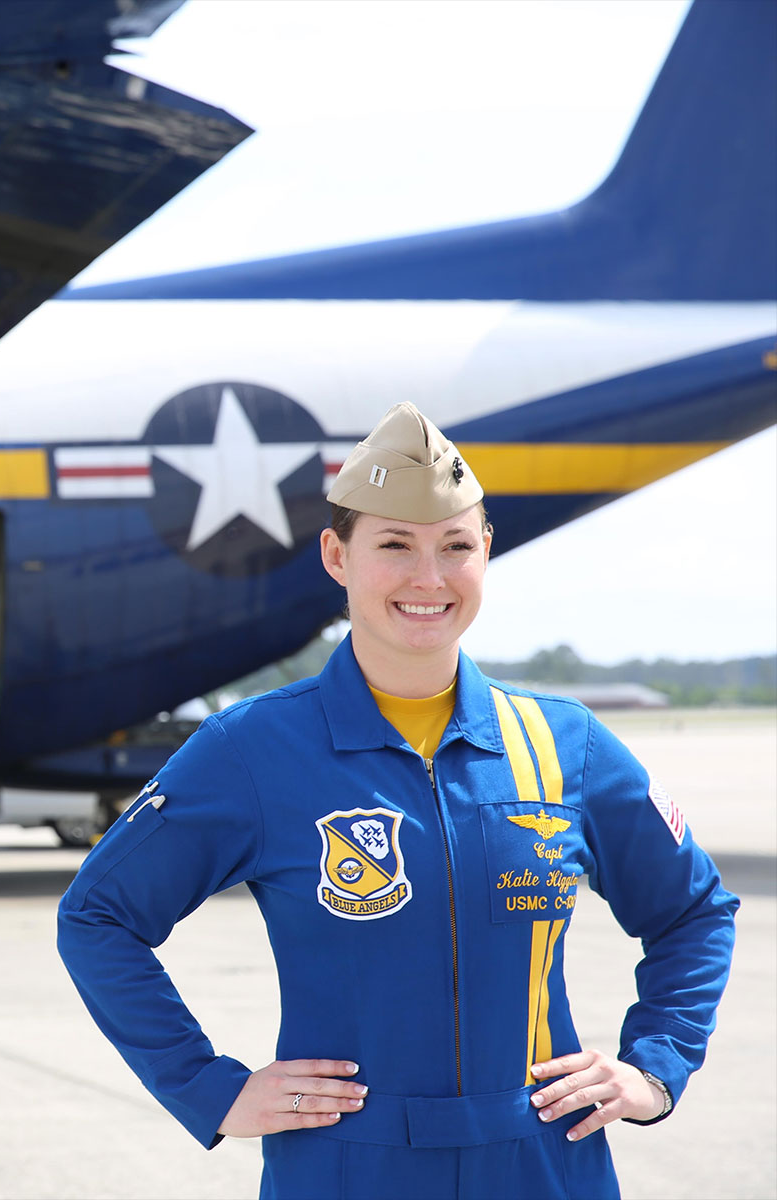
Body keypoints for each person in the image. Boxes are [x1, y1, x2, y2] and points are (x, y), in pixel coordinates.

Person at [56, 402, 737, 1199]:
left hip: (545, 1163)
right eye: (394, 546)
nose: (429, 578)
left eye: (455, 546)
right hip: (347, 1166)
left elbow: (693, 911)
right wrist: (210, 1088)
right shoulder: (251, 750)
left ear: (486, 549)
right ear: (336, 557)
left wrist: (653, 1070)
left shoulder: (566, 745)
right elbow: (98, 918)